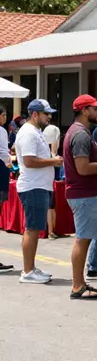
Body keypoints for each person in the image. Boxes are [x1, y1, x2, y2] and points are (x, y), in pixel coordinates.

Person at [63, 94, 97, 300]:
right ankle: (77, 286)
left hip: (83, 193)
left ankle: (79, 283)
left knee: (84, 239)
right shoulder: (81, 135)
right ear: (84, 111)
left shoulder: (78, 132)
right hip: (84, 193)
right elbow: (82, 168)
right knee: (83, 240)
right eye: (95, 108)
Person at [14, 100, 63, 284]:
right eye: (45, 114)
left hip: (38, 185)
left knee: (34, 228)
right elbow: (29, 161)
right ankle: (28, 271)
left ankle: (30, 268)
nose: (49, 117)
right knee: (32, 229)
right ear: (35, 114)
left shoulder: (34, 132)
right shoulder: (28, 133)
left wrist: (51, 159)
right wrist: (53, 161)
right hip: (33, 186)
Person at [42, 118, 61, 238]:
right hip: (49, 182)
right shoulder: (51, 154)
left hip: (48, 182)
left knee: (51, 206)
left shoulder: (44, 151)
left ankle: (50, 231)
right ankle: (50, 231)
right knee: (50, 206)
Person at [0, 106, 14, 274]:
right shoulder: (2, 131)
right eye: (3, 114)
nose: (5, 117)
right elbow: (3, 152)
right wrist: (9, 161)